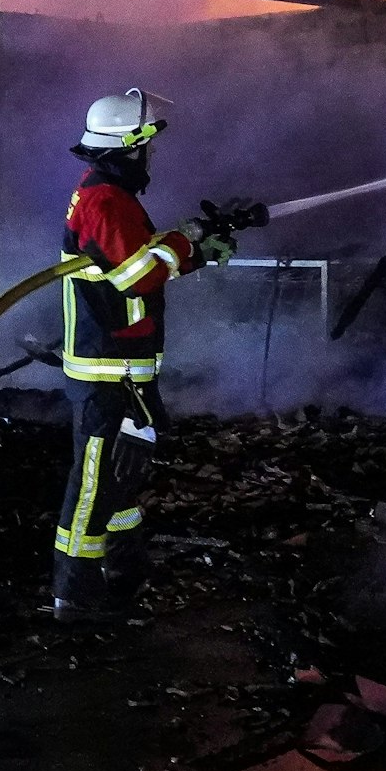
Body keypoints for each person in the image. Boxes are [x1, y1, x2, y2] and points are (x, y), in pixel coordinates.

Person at [51, 88, 237, 619]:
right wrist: (187, 242)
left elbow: (136, 260)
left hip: (124, 368)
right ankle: (75, 593)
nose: (151, 157)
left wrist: (196, 251)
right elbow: (139, 276)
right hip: (108, 372)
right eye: (147, 148)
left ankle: (123, 569)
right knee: (92, 486)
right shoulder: (105, 200)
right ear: (129, 148)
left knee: (122, 476)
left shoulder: (109, 197)